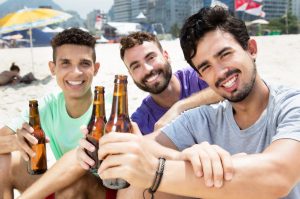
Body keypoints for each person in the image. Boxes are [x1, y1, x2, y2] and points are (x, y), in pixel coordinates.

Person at [96, 6, 300, 199]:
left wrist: (156, 172)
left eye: (225, 54)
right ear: (201, 78)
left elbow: (278, 176)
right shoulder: (199, 119)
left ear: (251, 49)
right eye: (206, 67)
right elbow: (144, 147)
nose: (220, 72)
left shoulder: (291, 105)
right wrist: (185, 157)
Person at [0, 28, 107, 198]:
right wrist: (18, 142)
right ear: (53, 68)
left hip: (99, 190)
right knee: (3, 161)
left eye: (84, 63)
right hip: (63, 188)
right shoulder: (48, 105)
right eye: (66, 63)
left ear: (96, 68)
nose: (76, 72)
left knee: (78, 176)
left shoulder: (108, 108)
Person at [119, 32, 222, 134]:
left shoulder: (198, 75)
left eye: (151, 58)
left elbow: (229, 88)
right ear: (131, 74)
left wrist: (179, 107)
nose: (147, 70)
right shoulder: (141, 121)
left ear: (166, 56)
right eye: (136, 66)